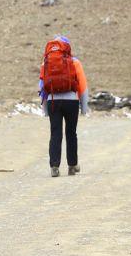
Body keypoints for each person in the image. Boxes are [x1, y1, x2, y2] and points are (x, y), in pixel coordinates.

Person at [39, 36, 89, 177]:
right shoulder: (74, 62)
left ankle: (54, 166)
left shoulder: (46, 62)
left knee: (55, 133)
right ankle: (72, 166)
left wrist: (45, 109)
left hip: (53, 101)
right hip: (71, 101)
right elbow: (83, 86)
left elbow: (42, 87)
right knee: (71, 133)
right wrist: (84, 107)